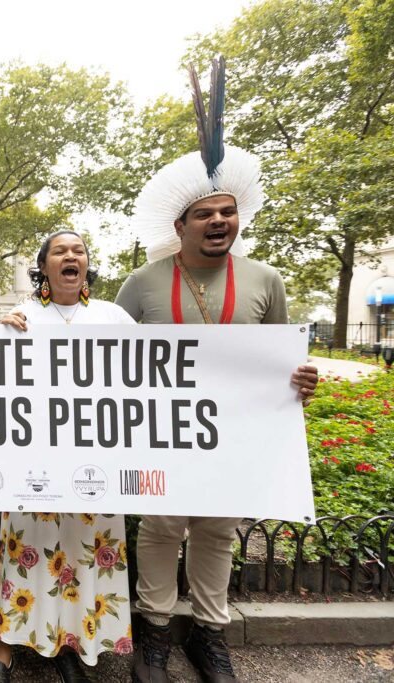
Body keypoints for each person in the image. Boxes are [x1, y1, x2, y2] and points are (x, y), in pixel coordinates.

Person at [116, 59, 318, 683]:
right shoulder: (141, 283)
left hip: (235, 435)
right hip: (161, 431)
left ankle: (209, 632)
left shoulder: (266, 280)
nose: (218, 222)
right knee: (159, 527)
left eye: (227, 212)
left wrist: (298, 382)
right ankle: (152, 629)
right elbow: (107, 356)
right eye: (205, 214)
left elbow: (282, 356)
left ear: (238, 218)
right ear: (180, 225)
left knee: (216, 530)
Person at [0, 231, 134, 683]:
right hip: (34, 461)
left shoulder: (115, 317)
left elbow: (156, 374)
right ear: (44, 265)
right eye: (60, 251)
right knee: (26, 549)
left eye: (79, 250)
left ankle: (72, 644)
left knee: (83, 551)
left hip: (95, 462)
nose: (71, 256)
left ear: (87, 264)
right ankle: (5, 647)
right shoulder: (21, 315)